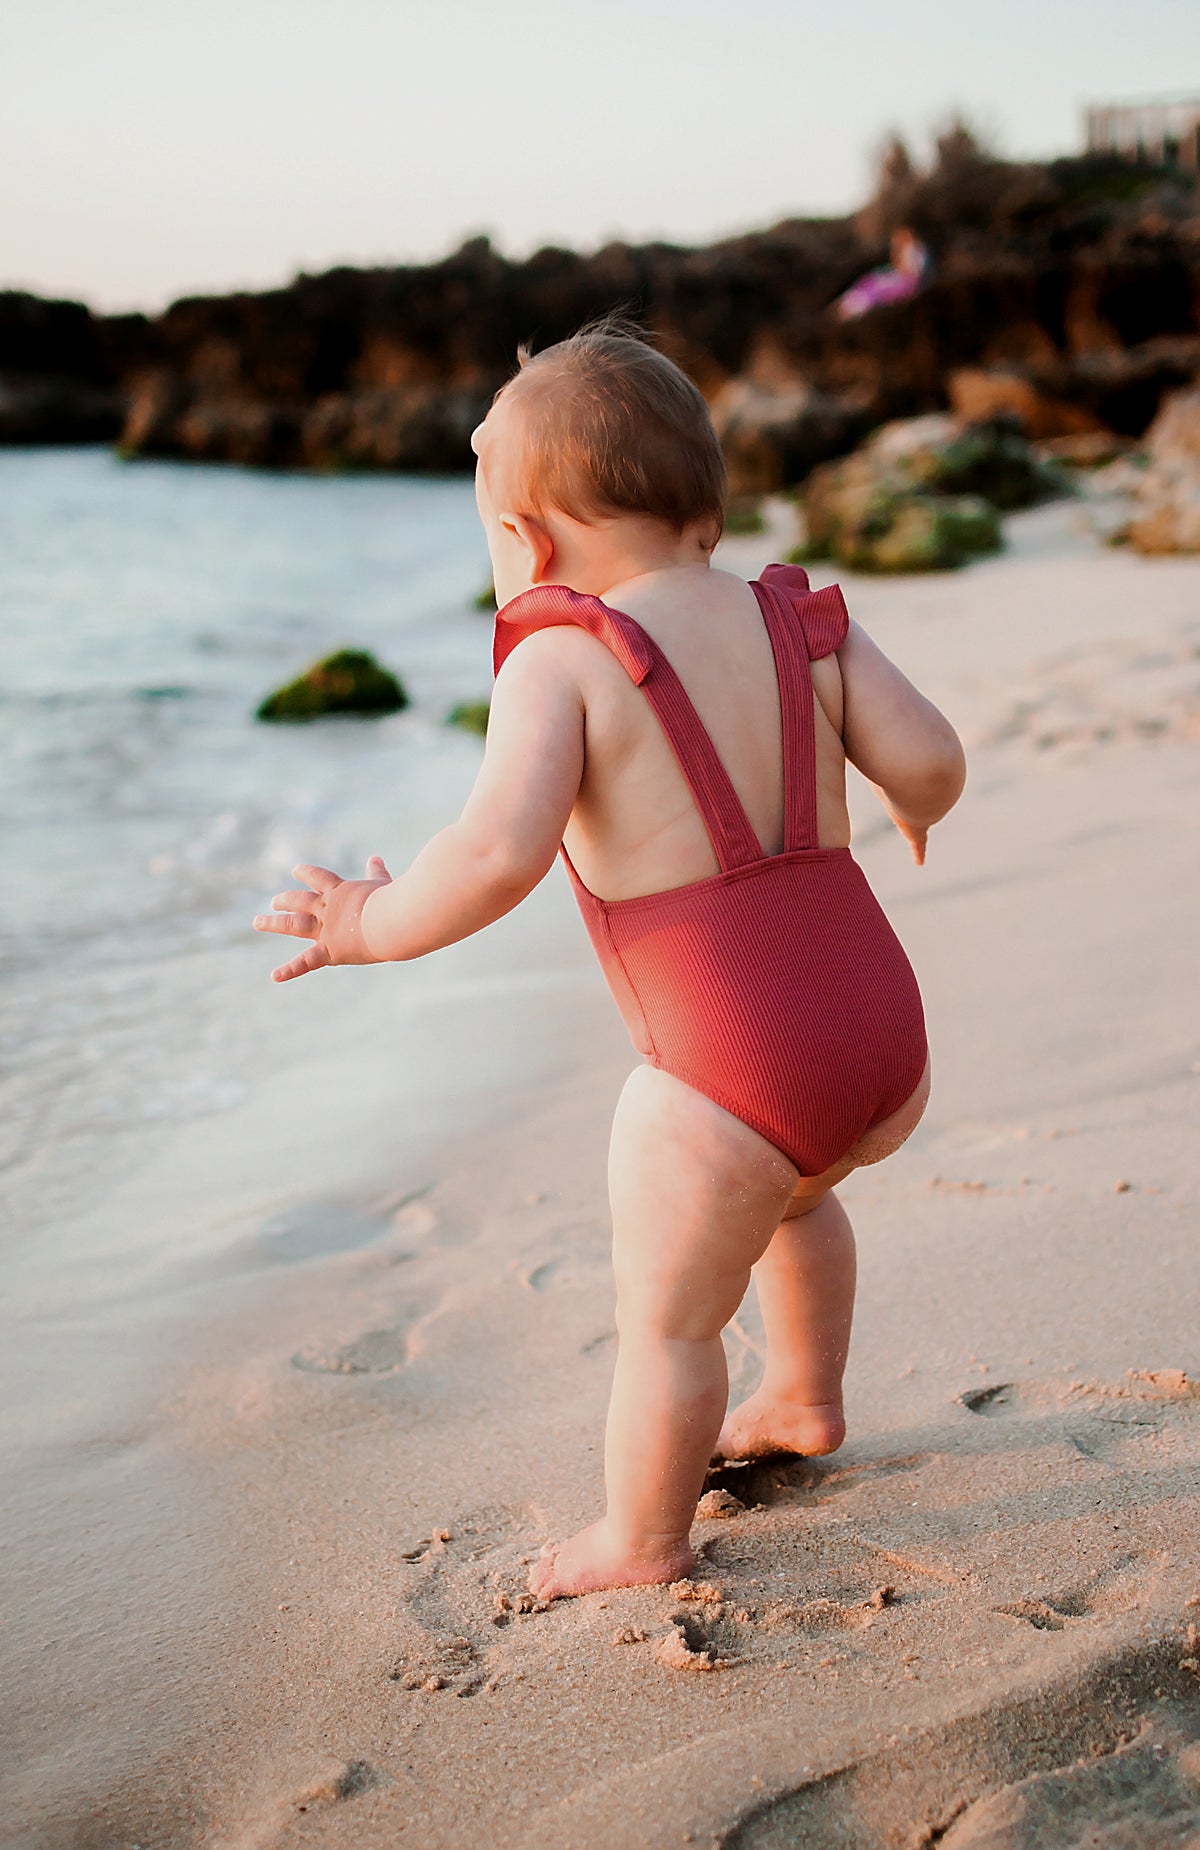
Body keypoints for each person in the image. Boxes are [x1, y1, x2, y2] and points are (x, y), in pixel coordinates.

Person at [253, 323, 965, 1601]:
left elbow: (490, 854)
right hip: (881, 1032)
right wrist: (911, 805)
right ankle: (802, 1394)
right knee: (802, 1197)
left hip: (730, 1061)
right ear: (707, 500)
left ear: (525, 545)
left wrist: (367, 919)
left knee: (671, 1316)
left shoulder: (562, 657)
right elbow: (932, 761)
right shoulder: (798, 618)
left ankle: (640, 1538)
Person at [835, 227, 931, 320]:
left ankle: (851, 307)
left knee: (874, 288)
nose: (893, 249)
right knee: (870, 281)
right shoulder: (890, 265)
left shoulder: (915, 251)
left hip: (902, 283)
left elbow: (912, 274)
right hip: (893, 277)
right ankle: (848, 303)